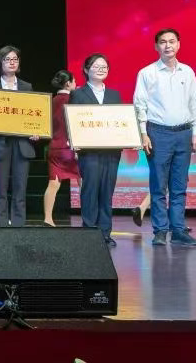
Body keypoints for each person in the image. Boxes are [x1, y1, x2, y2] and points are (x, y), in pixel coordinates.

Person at [133, 28, 196, 247]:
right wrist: (143, 133)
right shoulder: (147, 73)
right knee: (158, 185)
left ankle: (179, 231)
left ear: (179, 44)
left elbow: (195, 103)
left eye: (172, 41)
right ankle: (160, 231)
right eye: (163, 42)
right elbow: (139, 105)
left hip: (183, 133)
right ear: (156, 46)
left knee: (179, 186)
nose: (168, 45)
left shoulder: (187, 72)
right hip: (158, 133)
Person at [70, 53, 124, 247]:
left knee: (107, 192)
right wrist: (74, 141)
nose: (101, 70)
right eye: (96, 66)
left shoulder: (114, 95)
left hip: (111, 151)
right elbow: (73, 121)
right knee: (90, 190)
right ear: (86, 69)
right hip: (89, 151)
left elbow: (122, 121)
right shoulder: (78, 94)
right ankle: (89, 232)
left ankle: (105, 233)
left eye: (104, 67)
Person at [0, 45, 35, 227]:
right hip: (0, 143)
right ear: (0, 63)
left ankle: (18, 227)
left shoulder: (26, 87)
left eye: (15, 59)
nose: (12, 62)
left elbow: (34, 114)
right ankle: (2, 228)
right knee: (0, 190)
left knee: (20, 189)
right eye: (7, 59)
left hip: (22, 144)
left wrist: (36, 130)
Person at [43, 70, 79, 228]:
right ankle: (90, 217)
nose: (76, 84)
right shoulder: (74, 100)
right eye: (74, 81)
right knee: (83, 182)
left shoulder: (49, 101)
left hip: (54, 148)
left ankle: (48, 218)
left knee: (53, 184)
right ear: (68, 83)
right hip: (70, 148)